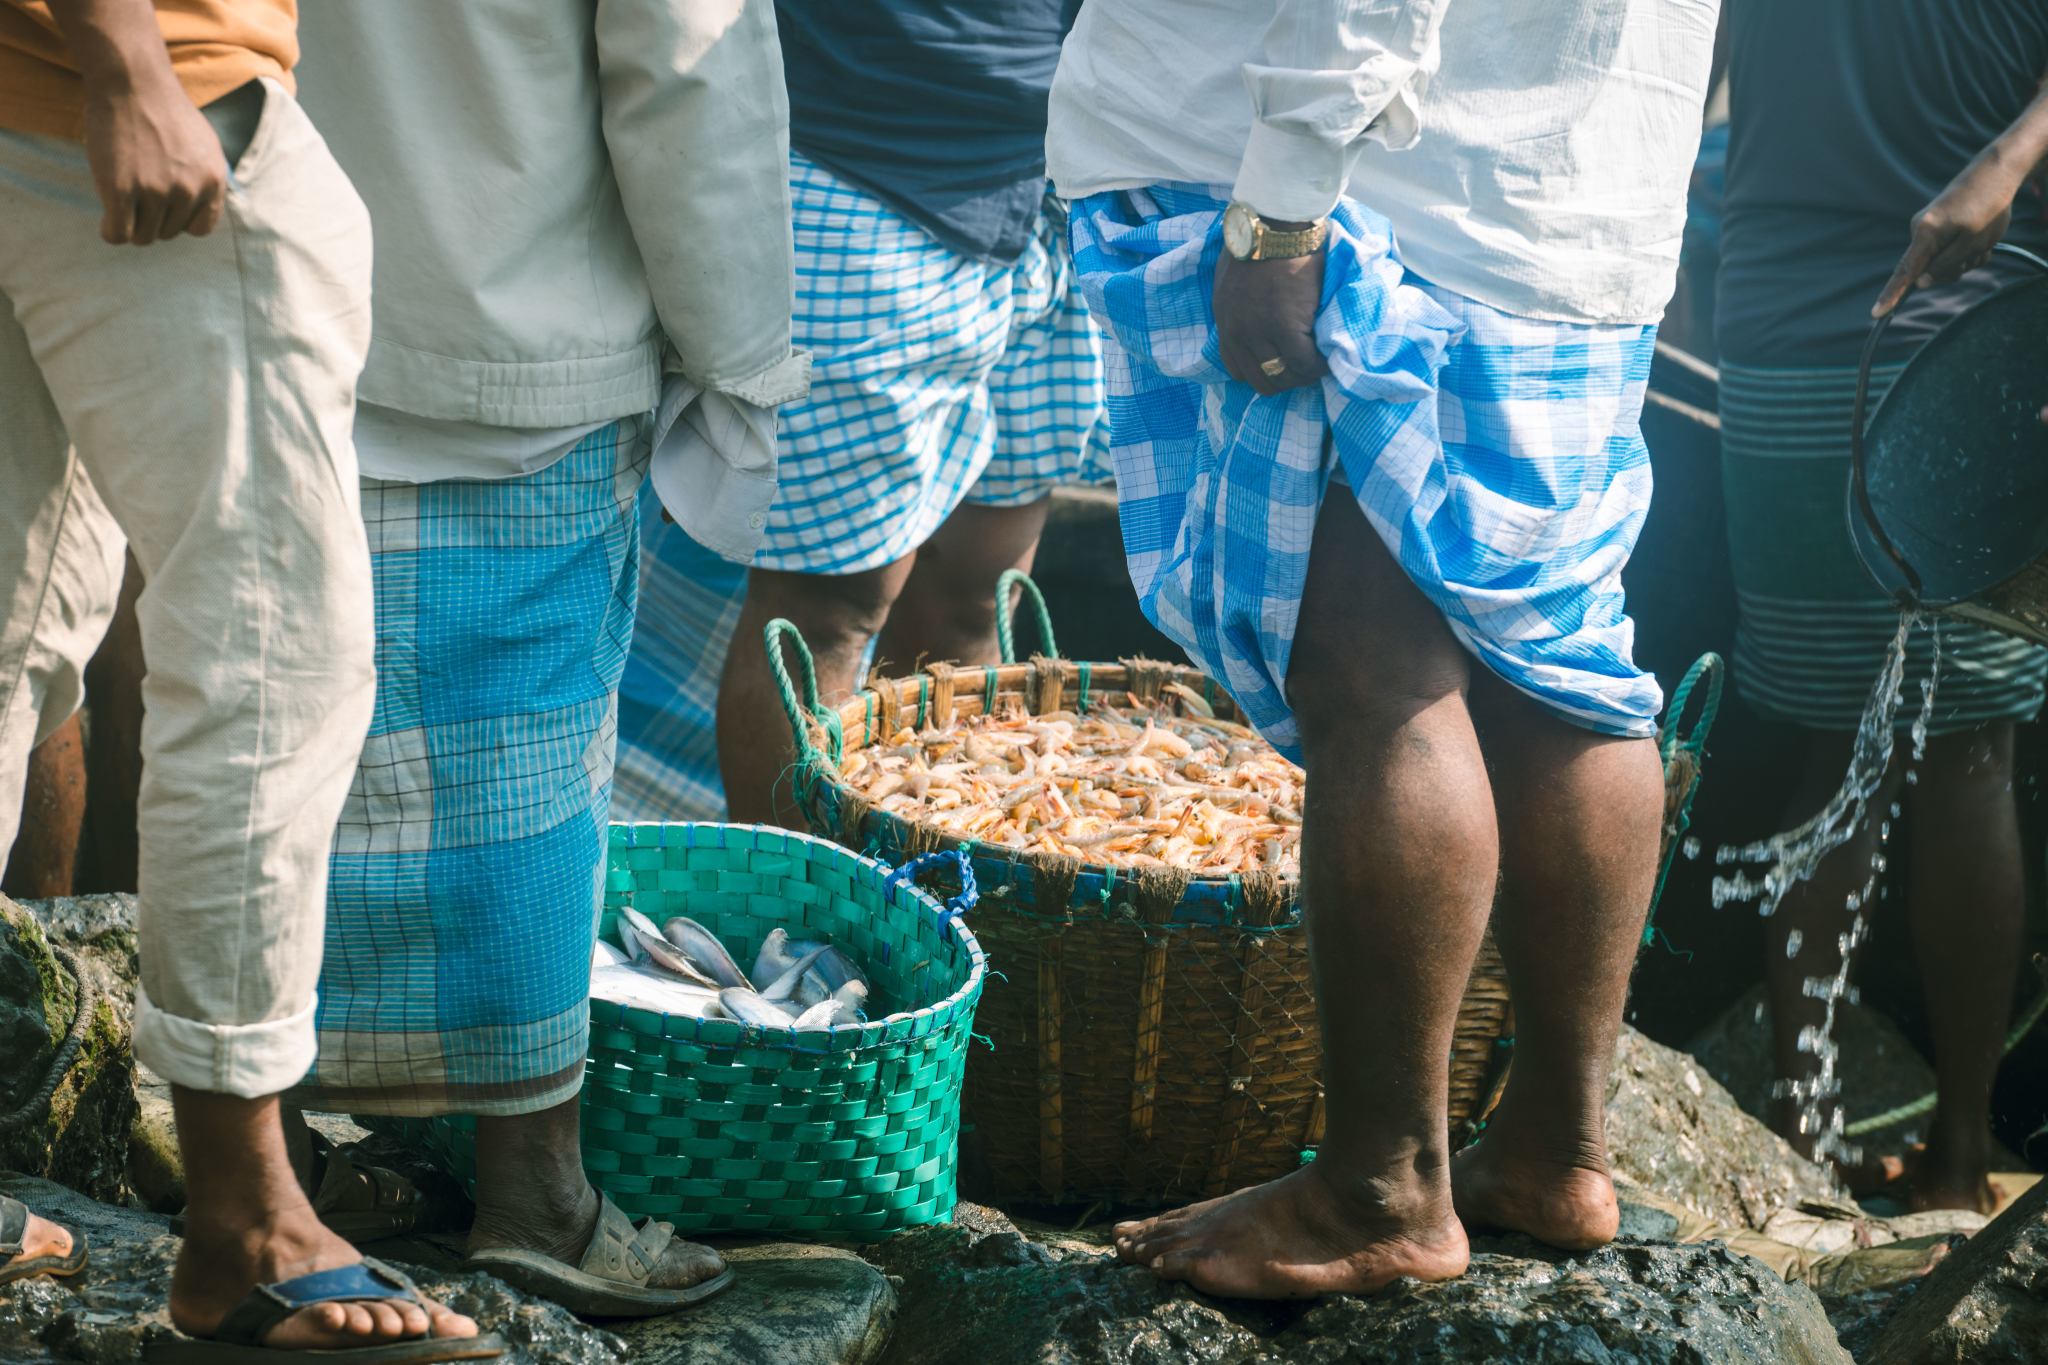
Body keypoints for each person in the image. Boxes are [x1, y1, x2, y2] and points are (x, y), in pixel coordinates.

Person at [1049, 0, 1717, 1297]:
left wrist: (1284, 206)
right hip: (1579, 192)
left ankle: (1379, 1188)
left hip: (1378, 184)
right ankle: (1555, 1145)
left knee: (1376, 674)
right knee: (1563, 669)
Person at [285, 0, 803, 1311]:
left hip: (270, 291)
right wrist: (740, 343)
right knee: (523, 757)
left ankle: (266, 1159)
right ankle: (536, 1195)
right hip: (517, 313)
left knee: (270, 746)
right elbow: (688, 71)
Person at [0, 0, 491, 1353]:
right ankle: (244, 1221)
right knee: (272, 656)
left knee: (12, 624)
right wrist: (131, 62)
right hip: (126, 86)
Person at [1717, 0, 2048, 1212]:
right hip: (1817, 319)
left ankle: (1903, 1151)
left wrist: (2002, 165)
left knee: (1924, 750)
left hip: (1959, 311)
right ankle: (1839, 1150)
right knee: (1887, 741)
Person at [657, 0, 1105, 828]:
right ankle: (800, 922)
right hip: (877, 152)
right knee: (828, 609)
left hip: (1069, 176)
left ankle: (934, 901)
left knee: (978, 586)